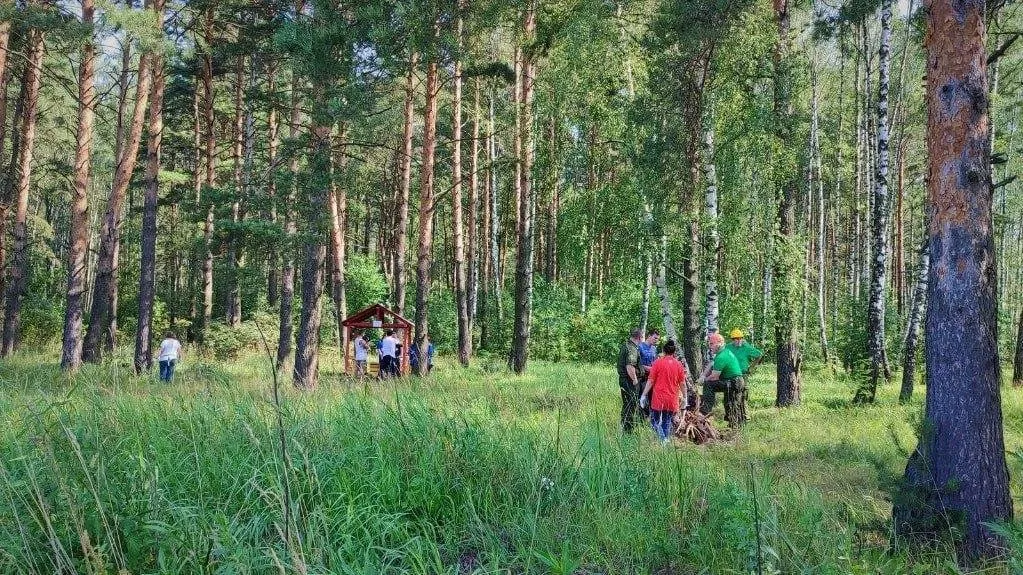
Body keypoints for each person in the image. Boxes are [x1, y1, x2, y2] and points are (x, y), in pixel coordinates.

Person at [640, 339, 686, 444]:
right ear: (674, 352)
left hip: (658, 398)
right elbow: (682, 383)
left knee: (655, 421)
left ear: (663, 351)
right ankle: (665, 439)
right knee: (667, 421)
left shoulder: (657, 363)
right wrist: (685, 397)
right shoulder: (679, 365)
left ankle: (662, 439)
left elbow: (650, 381)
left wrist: (643, 395)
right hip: (672, 399)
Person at [699, 332, 746, 427]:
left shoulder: (722, 356)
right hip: (734, 381)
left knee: (709, 385)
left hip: (734, 382)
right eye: (709, 344)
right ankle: (736, 426)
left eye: (712, 344)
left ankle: (705, 410)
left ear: (719, 343)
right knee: (730, 403)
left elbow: (714, 377)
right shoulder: (724, 352)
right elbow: (711, 364)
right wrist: (703, 375)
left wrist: (704, 380)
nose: (710, 346)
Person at [616, 328, 644, 433]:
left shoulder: (628, 345)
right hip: (629, 381)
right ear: (640, 337)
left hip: (626, 380)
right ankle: (628, 431)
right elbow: (630, 366)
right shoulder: (631, 348)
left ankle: (625, 428)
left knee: (628, 404)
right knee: (630, 405)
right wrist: (635, 380)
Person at [637, 330, 660, 417]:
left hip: (652, 378)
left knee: (652, 399)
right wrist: (649, 368)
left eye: (657, 339)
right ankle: (641, 418)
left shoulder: (654, 349)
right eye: (655, 338)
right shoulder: (640, 347)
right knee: (642, 398)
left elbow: (655, 362)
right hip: (642, 377)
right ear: (649, 336)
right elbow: (637, 364)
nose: (656, 340)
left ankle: (650, 419)